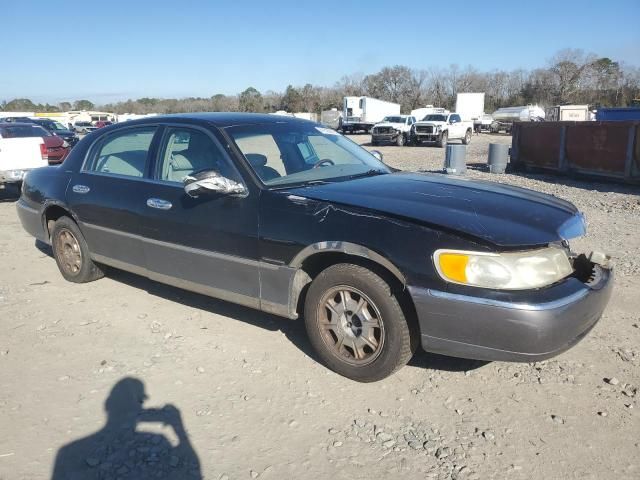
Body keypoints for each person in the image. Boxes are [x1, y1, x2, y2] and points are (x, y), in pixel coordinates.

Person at [51, 377, 201, 479]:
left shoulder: (68, 452)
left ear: (107, 405)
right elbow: (191, 473)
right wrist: (179, 428)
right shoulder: (159, 440)